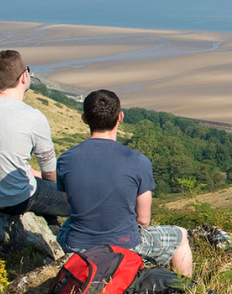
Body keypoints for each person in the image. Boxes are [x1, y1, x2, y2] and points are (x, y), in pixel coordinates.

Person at [56, 89, 193, 277]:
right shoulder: (138, 161)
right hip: (124, 245)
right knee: (181, 236)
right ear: (120, 117)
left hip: (77, 247)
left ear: (84, 119)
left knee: (64, 227)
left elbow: (69, 203)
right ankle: (186, 291)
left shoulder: (65, 160)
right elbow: (143, 219)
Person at [0, 50, 71, 222]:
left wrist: (34, 173)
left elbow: (1, 156)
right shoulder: (33, 117)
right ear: (24, 77)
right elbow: (50, 173)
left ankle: (50, 227)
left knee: (39, 187)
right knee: (75, 200)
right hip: (12, 199)